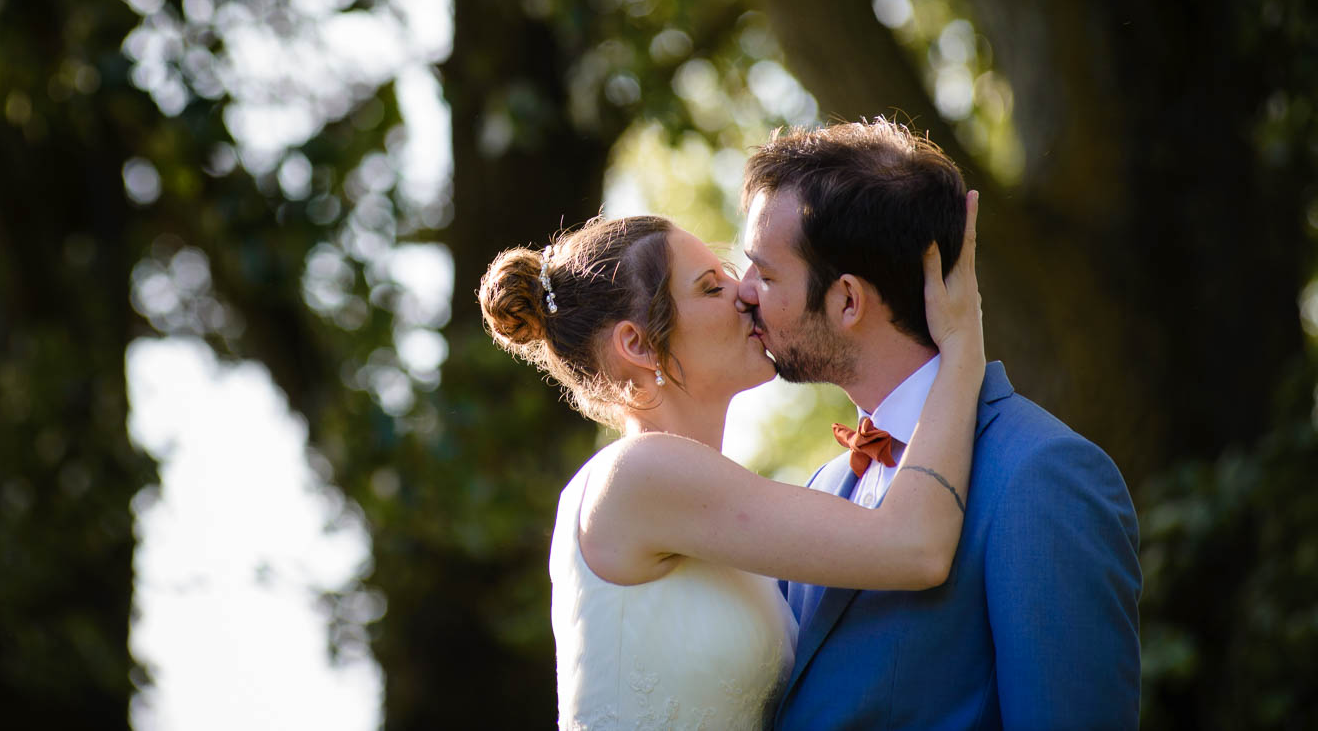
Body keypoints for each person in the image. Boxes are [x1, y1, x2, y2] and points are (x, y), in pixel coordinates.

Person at [477, 188, 983, 730]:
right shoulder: (637, 475)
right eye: (710, 286)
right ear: (639, 345)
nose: (745, 292)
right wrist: (961, 351)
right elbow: (915, 549)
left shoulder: (703, 500)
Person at [736, 119, 1142, 730]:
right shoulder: (822, 486)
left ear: (848, 300)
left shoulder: (1042, 476)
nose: (743, 293)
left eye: (765, 274)